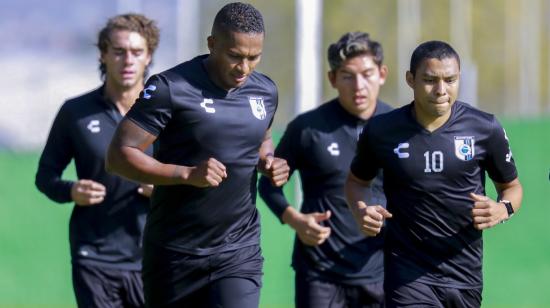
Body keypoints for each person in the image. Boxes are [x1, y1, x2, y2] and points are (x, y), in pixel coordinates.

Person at [105, 3, 289, 307]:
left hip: (238, 252)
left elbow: (261, 138)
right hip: (174, 254)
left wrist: (267, 161)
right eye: (235, 56)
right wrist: (187, 174)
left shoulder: (265, 91)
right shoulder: (170, 88)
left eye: (253, 57)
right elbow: (118, 155)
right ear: (212, 44)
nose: (244, 68)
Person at [345, 40, 523, 308]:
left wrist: (503, 209)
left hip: (465, 276)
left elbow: (512, 187)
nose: (441, 90)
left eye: (450, 80)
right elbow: (356, 182)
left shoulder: (485, 128)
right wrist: (361, 210)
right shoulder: (382, 130)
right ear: (410, 79)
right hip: (407, 275)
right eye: (430, 80)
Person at [258, 32, 391, 308]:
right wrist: (295, 220)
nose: (359, 85)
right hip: (320, 273)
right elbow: (269, 185)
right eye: (347, 76)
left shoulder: (399, 128)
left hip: (382, 271)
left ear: (382, 74)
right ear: (332, 79)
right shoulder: (307, 128)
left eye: (367, 74)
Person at [35, 14, 160, 307]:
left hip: (155, 256)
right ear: (104, 55)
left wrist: (163, 189)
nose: (127, 60)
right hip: (94, 257)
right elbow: (45, 176)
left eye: (136, 52)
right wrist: (71, 191)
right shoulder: (75, 112)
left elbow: (193, 176)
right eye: (118, 51)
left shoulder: (166, 113)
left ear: (148, 56)